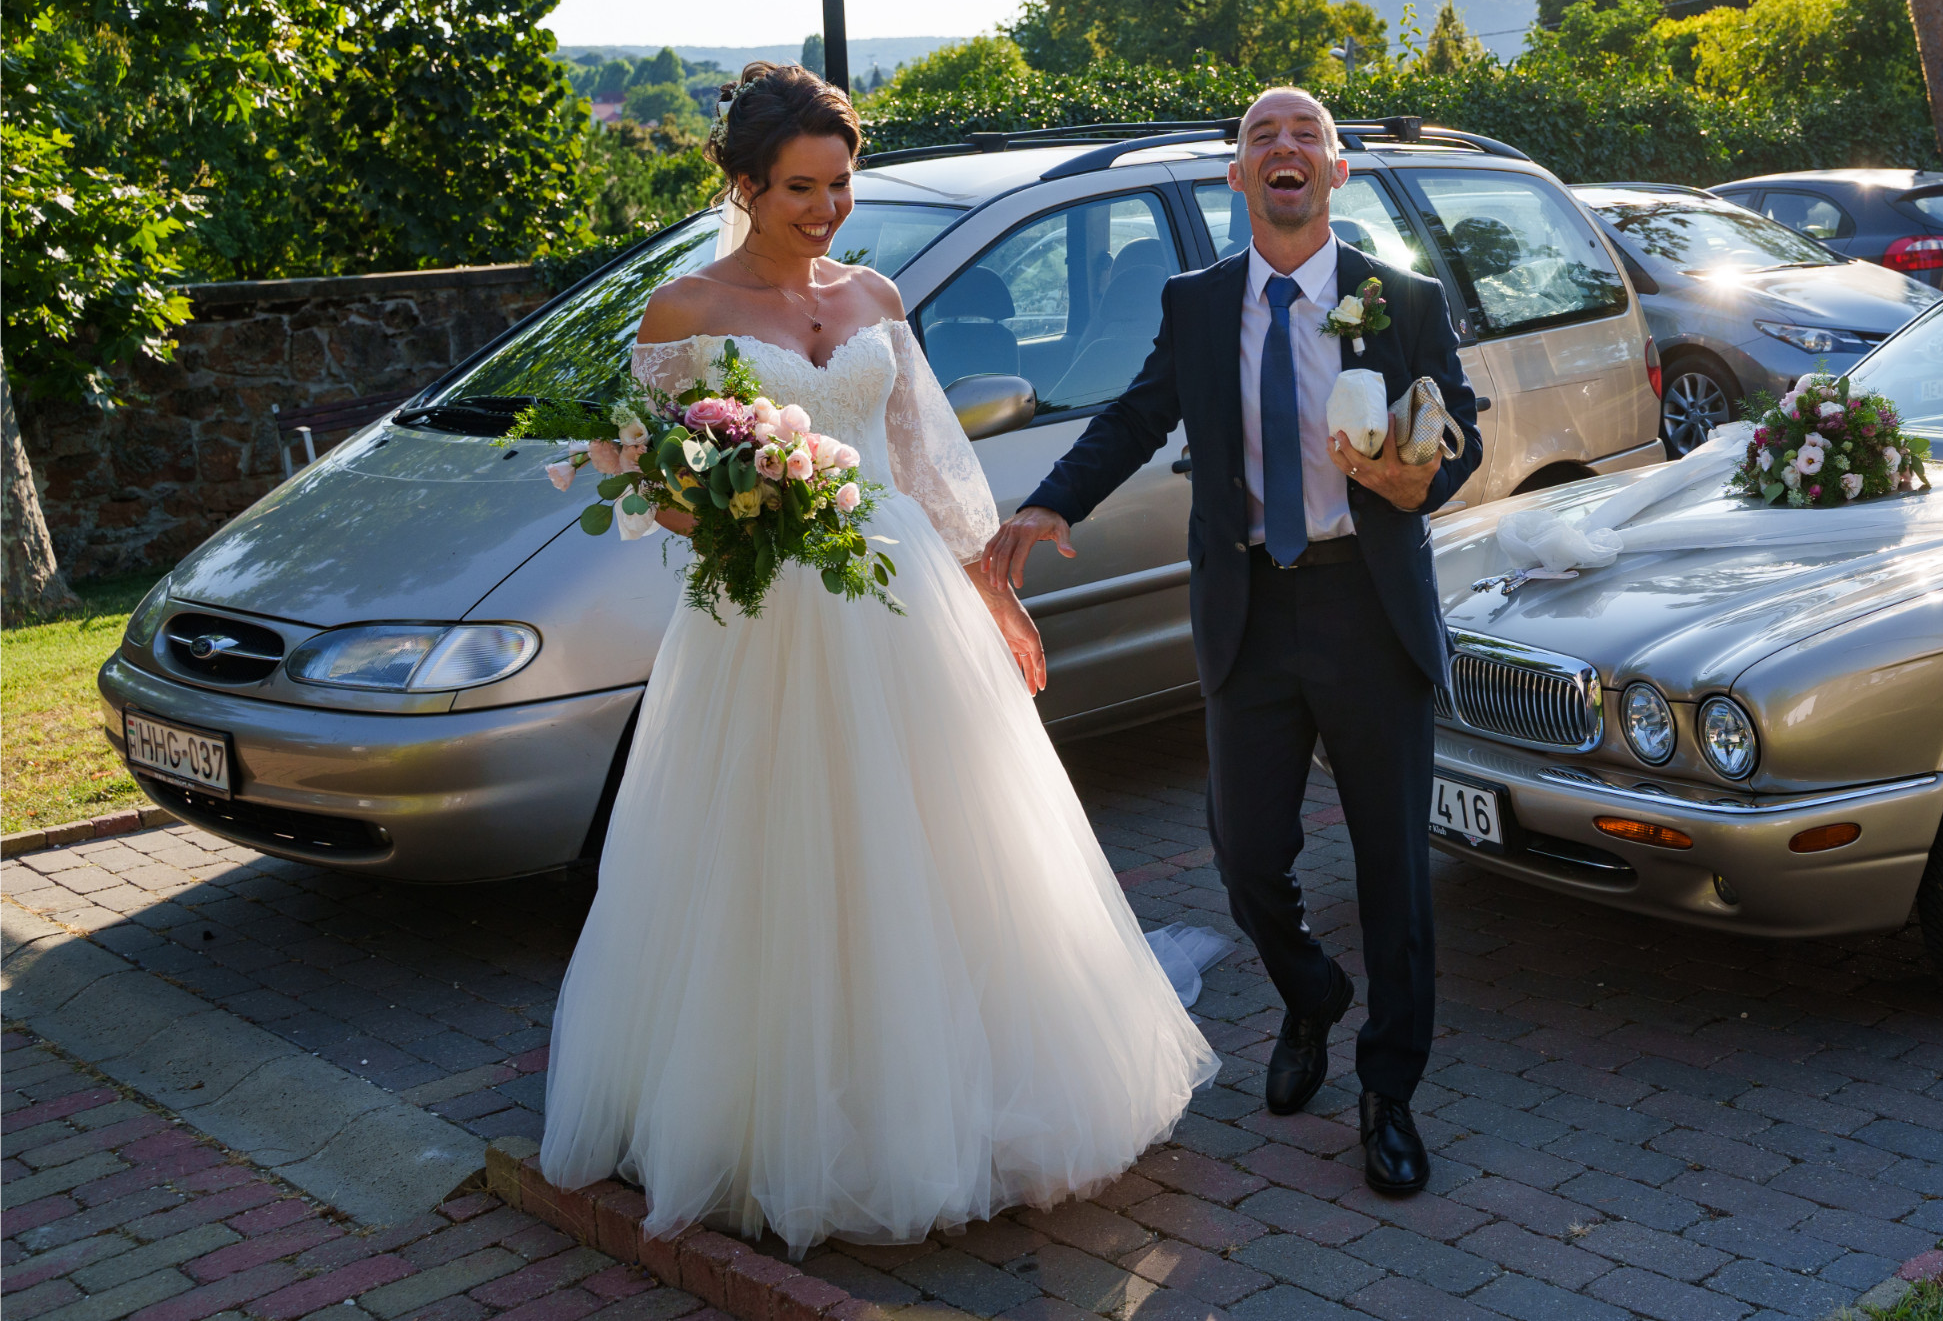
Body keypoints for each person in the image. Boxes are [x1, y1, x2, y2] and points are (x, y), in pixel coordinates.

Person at [540, 63, 1217, 1255]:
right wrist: (737, 504)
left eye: (839, 184)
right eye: (799, 187)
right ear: (745, 185)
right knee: (779, 847)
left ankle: (958, 1089)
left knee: (941, 840)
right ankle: (778, 1111)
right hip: (765, 613)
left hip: (900, 597)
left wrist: (990, 598)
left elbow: (923, 463)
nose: (825, 209)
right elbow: (650, 487)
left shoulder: (875, 294)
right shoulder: (684, 312)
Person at [987, 87, 1482, 1195]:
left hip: (1369, 607)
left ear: (1336, 171)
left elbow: (1458, 426)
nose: (1284, 147)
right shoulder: (1200, 301)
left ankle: (1389, 1092)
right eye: (1263, 135)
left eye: (1307, 134)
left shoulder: (1399, 298)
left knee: (1395, 874)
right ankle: (1311, 993)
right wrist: (1051, 502)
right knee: (1246, 855)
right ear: (1238, 175)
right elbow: (1137, 414)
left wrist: (1426, 476)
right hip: (1247, 611)